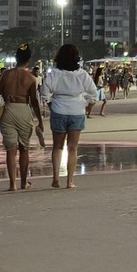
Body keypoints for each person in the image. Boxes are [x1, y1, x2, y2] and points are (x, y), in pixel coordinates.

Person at [40, 44, 100, 188]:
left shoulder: (54, 74)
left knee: (57, 146)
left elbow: (45, 93)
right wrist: (87, 106)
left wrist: (51, 105)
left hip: (59, 110)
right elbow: (94, 94)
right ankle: (70, 181)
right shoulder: (82, 74)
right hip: (77, 111)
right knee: (72, 148)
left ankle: (55, 178)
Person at [0, 45, 45, 190]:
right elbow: (34, 102)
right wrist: (40, 121)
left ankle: (12, 184)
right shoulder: (31, 78)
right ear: (29, 59)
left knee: (11, 150)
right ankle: (23, 182)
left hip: (8, 110)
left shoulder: (5, 75)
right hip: (23, 110)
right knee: (24, 148)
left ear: (16, 58)